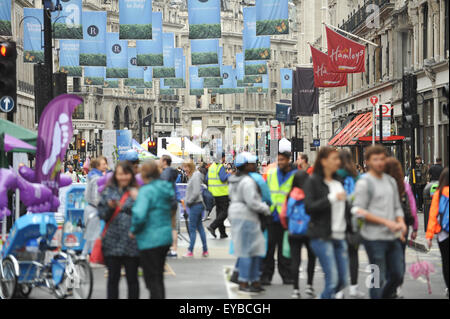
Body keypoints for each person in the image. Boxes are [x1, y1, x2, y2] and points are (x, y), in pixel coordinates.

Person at [352, 145, 407, 299]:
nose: (379, 163)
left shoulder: (390, 181)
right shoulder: (364, 183)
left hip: (392, 236)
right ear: (367, 161)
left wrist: (401, 222)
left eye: (382, 159)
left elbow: (397, 206)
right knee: (377, 279)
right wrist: (386, 222)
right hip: (373, 238)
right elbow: (359, 211)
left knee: (398, 274)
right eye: (375, 159)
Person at [303, 147, 351, 299]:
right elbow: (309, 207)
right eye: (334, 159)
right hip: (322, 236)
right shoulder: (313, 181)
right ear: (324, 161)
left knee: (343, 280)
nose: (338, 162)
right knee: (332, 280)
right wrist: (332, 198)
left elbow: (344, 208)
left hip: (340, 236)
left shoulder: (338, 181)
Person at [130, 160, 176, 299]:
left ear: (144, 174)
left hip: (149, 239)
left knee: (151, 279)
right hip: (164, 237)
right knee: (158, 277)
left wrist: (133, 230)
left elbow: (139, 214)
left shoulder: (146, 191)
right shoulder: (165, 187)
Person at [228, 152, 271, 294]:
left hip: (237, 214)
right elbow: (253, 202)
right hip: (246, 216)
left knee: (253, 248)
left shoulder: (234, 179)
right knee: (249, 250)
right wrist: (266, 209)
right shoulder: (247, 182)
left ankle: (253, 280)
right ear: (246, 166)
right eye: (252, 163)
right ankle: (245, 282)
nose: (254, 165)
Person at [98, 161, 140, 299]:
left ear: (131, 175)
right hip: (112, 242)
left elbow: (144, 215)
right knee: (113, 280)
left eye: (126, 174)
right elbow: (102, 215)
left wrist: (137, 199)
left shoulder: (137, 191)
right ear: (115, 175)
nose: (123, 177)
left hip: (131, 242)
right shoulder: (108, 191)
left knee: (132, 280)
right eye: (120, 174)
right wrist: (110, 207)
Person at [261, 140, 296, 286]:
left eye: (282, 160)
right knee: (269, 248)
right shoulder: (271, 174)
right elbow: (265, 193)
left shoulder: (295, 175)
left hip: (287, 218)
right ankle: (266, 276)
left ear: (288, 160)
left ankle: (286, 275)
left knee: (284, 250)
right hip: (271, 216)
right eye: (278, 159)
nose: (280, 162)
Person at [384, 157, 418, 298]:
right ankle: (396, 286)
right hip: (402, 226)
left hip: (385, 226)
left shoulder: (383, 185)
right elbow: (413, 207)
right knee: (400, 256)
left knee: (387, 258)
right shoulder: (405, 186)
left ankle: (389, 284)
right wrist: (415, 227)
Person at [280, 170, 316, 299]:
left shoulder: (290, 195)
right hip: (309, 230)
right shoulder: (311, 193)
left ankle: (295, 289)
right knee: (312, 258)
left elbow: (283, 214)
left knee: (295, 259)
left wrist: (287, 227)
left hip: (294, 230)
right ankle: (309, 286)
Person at [335, 149, 365, 299]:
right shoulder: (356, 177)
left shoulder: (334, 176)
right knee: (353, 255)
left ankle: (339, 290)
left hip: (338, 219)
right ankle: (353, 287)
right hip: (354, 220)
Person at [426, 167, 449, 297]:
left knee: (446, 261)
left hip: (443, 234)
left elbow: (433, 215)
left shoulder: (439, 193)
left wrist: (429, 236)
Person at [82, 156, 108, 258]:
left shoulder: (91, 175)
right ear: (98, 166)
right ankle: (93, 258)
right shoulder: (97, 178)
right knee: (94, 236)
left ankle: (83, 256)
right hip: (94, 210)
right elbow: (96, 197)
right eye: (103, 164)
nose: (105, 166)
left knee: (90, 235)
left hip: (89, 208)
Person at [183, 160, 209, 258]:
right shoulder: (195, 176)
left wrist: (189, 201)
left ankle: (190, 251)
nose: (185, 169)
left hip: (195, 205)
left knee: (192, 228)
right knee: (200, 228)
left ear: (191, 167)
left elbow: (196, 192)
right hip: (197, 205)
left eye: (186, 167)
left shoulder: (195, 176)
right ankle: (205, 250)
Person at [159, 155, 180, 258]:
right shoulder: (172, 172)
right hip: (173, 202)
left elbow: (163, 188)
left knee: (169, 227)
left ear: (164, 162)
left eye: (160, 160)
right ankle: (173, 249)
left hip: (167, 203)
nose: (159, 162)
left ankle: (171, 249)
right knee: (172, 227)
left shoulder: (165, 173)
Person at [206, 152, 230, 239]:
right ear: (222, 158)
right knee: (225, 212)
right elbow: (223, 179)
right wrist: (229, 174)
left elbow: (206, 178)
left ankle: (222, 233)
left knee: (219, 213)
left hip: (214, 193)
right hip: (222, 193)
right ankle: (213, 226)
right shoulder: (220, 166)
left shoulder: (211, 167)